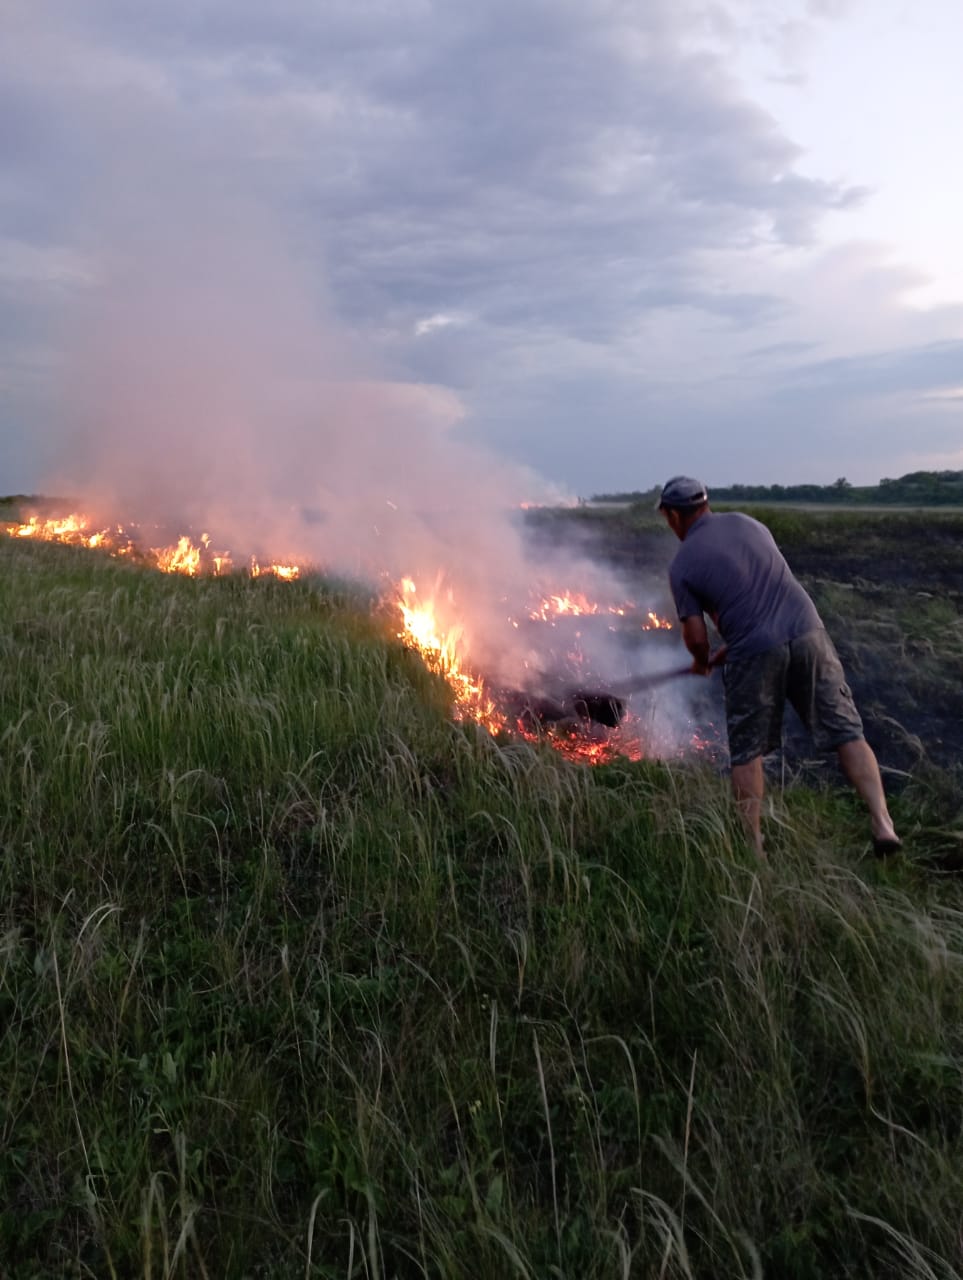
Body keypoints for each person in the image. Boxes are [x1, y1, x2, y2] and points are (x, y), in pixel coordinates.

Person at [656, 475, 901, 858]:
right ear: (706, 504)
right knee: (847, 731)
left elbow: (696, 636)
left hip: (756, 650)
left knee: (747, 751)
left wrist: (703, 662)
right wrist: (733, 646)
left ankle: (753, 848)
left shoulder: (683, 563)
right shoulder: (750, 523)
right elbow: (758, 591)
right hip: (808, 632)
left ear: (673, 515)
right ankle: (883, 822)